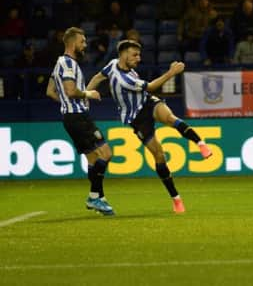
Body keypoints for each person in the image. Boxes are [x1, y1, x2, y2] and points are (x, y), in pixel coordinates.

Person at [86, 40, 214, 213]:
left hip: (147, 103)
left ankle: (200, 143)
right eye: (134, 55)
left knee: (170, 118)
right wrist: (171, 73)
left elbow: (98, 77)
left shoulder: (113, 65)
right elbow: (152, 85)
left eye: (139, 55)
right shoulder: (125, 79)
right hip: (136, 118)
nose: (138, 59)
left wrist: (86, 93)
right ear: (123, 54)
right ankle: (176, 198)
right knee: (159, 155)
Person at [45, 27, 114, 216]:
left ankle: (100, 198)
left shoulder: (59, 63)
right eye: (82, 42)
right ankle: (94, 197)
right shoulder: (68, 63)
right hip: (78, 117)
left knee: (93, 159)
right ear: (73, 43)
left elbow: (50, 91)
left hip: (70, 117)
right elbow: (70, 90)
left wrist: (67, 104)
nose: (84, 45)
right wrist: (88, 94)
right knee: (106, 153)